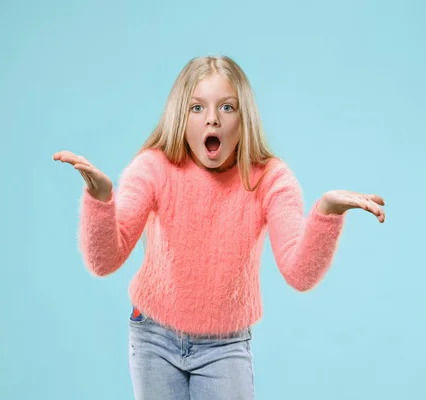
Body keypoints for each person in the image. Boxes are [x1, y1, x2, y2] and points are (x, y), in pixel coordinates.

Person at [53, 55, 385, 400]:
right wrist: (100, 198)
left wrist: (327, 212)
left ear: (245, 118)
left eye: (227, 107)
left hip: (225, 346)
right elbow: (104, 261)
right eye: (197, 108)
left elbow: (299, 274)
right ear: (180, 117)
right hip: (152, 337)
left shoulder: (270, 179)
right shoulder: (153, 167)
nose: (212, 118)